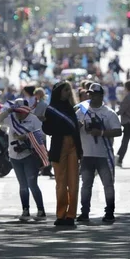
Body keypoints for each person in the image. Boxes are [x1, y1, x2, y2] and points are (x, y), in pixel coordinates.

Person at [76, 84, 122, 223]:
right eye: (89, 94)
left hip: (104, 154)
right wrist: (79, 124)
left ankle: (109, 211)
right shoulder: (81, 111)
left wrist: (101, 132)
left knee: (108, 184)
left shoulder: (108, 113)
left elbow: (118, 131)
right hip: (87, 154)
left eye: (94, 94)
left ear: (101, 96)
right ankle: (84, 212)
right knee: (86, 185)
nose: (91, 96)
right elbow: (73, 128)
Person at [0, 99, 46, 221]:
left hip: (29, 156)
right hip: (14, 156)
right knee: (22, 185)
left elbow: (41, 136)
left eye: (20, 111)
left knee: (32, 184)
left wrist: (27, 136)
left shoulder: (33, 119)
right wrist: (9, 110)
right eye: (16, 111)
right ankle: (25, 210)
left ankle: (40, 210)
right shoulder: (12, 118)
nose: (18, 113)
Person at [43, 81, 83, 226]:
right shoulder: (51, 109)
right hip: (59, 146)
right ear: (59, 92)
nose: (68, 92)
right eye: (66, 90)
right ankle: (61, 214)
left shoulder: (71, 108)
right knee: (61, 182)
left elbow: (76, 131)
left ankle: (71, 215)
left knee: (73, 182)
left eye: (69, 90)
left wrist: (80, 151)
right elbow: (47, 130)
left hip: (73, 146)